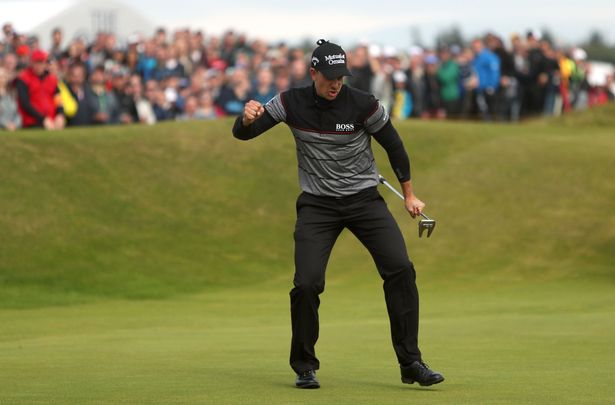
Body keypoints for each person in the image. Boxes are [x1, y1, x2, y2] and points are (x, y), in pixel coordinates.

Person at [232, 39, 444, 389]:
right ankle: (304, 366)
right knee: (307, 284)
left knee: (401, 270)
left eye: (340, 76)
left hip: (364, 201)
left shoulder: (363, 104)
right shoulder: (289, 102)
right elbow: (245, 134)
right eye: (329, 76)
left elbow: (394, 145)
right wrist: (245, 120)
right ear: (313, 72)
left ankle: (412, 363)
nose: (335, 83)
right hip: (318, 206)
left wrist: (409, 194)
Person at [15, 49, 65, 130]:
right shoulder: (23, 79)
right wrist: (43, 119)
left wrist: (60, 114)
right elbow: (25, 104)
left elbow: (58, 99)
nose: (39, 65)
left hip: (51, 122)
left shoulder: (52, 79)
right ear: (32, 63)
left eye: (42, 62)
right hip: (32, 123)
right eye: (37, 62)